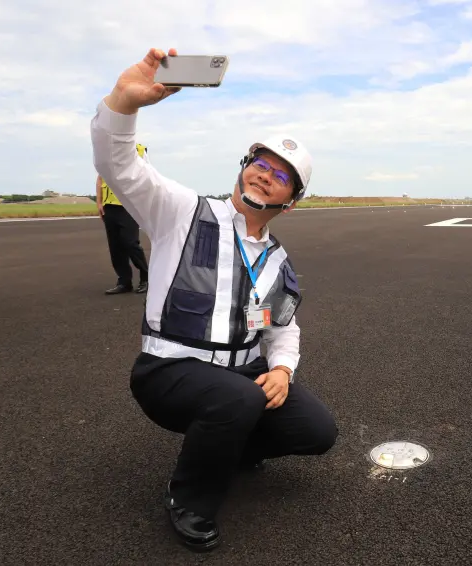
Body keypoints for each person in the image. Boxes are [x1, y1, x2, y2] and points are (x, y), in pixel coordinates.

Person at [90, 48, 338, 552]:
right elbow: (118, 165)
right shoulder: (181, 213)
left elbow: (281, 327)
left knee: (318, 430)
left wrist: (283, 371)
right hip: (169, 371)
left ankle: (235, 442)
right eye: (260, 163)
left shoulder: (276, 262)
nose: (266, 173)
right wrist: (123, 103)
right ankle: (189, 499)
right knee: (237, 397)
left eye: (281, 174)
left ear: (290, 201)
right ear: (244, 168)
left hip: (237, 378)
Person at [96, 145, 150, 294]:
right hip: (110, 206)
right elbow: (100, 178)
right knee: (115, 247)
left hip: (129, 205)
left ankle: (146, 278)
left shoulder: (138, 149)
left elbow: (145, 176)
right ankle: (124, 282)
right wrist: (99, 202)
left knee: (130, 243)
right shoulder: (106, 150)